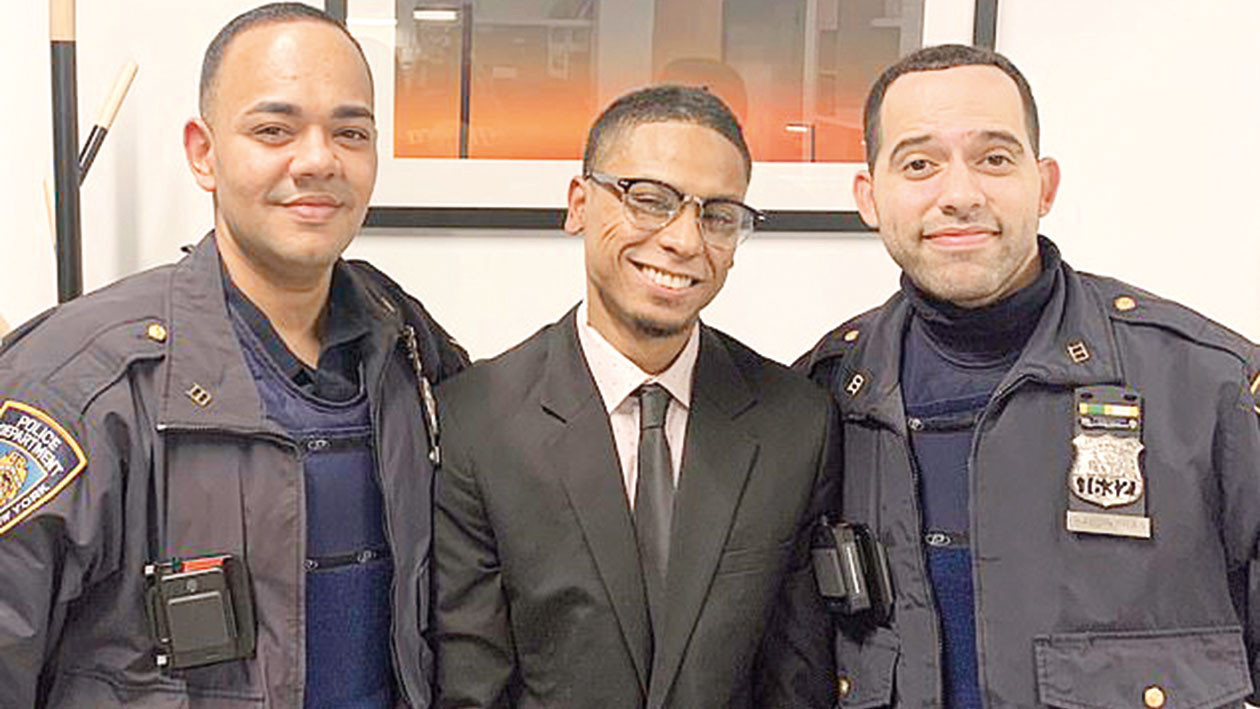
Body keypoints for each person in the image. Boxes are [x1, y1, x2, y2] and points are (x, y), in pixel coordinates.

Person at [0, 4, 467, 706]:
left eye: (350, 132)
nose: (318, 161)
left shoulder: (405, 346)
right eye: (274, 130)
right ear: (204, 153)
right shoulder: (78, 388)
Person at [797, 44, 1260, 707]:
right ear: (870, 197)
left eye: (994, 158)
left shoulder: (1210, 389)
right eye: (919, 164)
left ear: (1044, 186)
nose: (960, 195)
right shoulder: (819, 398)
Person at [434, 85, 838, 708]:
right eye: (650, 200)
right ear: (579, 204)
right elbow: (471, 688)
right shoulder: (476, 420)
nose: (684, 240)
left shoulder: (796, 422)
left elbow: (796, 680)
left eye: (718, 216)